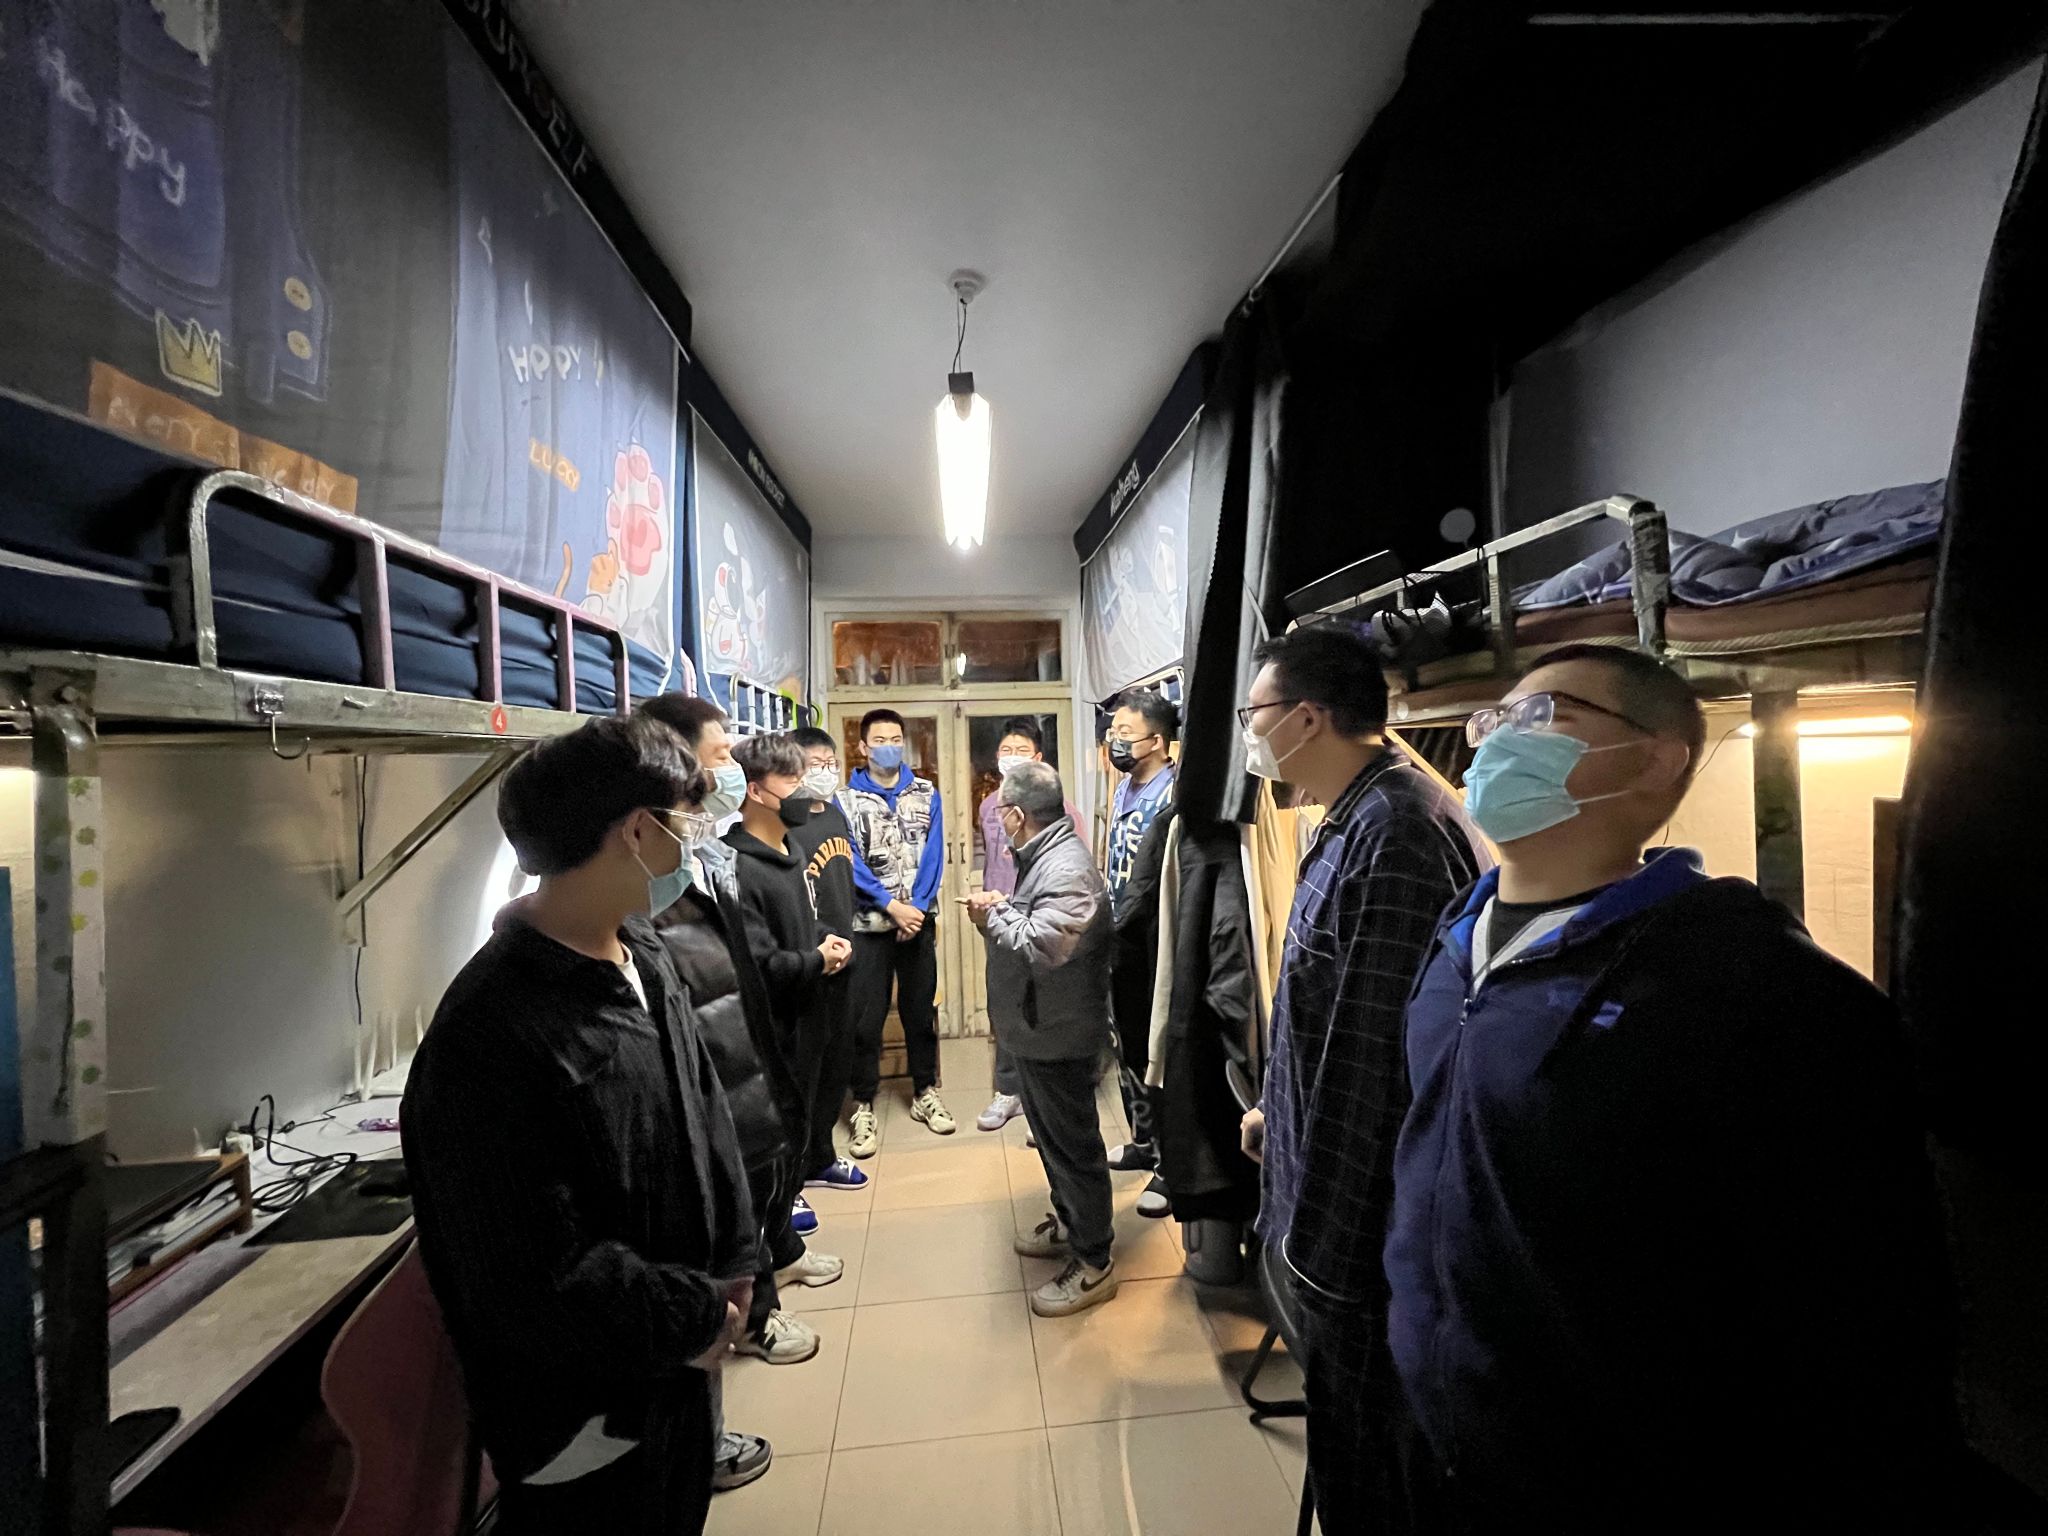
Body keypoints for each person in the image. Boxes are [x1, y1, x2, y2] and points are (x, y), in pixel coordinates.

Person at [1382, 646, 1957, 1534]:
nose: (1494, 742)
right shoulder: (1457, 943)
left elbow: (1858, 1305)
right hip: (1447, 1442)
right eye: (1493, 720)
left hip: (1633, 1482)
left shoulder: (1753, 987)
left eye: (1543, 715)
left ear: (1654, 760)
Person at [403, 715, 754, 1536]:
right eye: (684, 820)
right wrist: (698, 1317)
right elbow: (534, 1277)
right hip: (585, 1419)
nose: (693, 839)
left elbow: (705, 1112)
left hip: (677, 1365)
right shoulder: (490, 1034)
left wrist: (737, 1266)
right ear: (637, 831)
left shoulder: (641, 953)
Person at [1235, 624, 1487, 1535]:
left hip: (1362, 1247)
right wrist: (1276, 1112)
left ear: (1307, 717)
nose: (1249, 733)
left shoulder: (1399, 835)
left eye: (1255, 714)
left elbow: (1373, 1070)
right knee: (1350, 1451)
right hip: (1330, 1214)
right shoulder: (1349, 816)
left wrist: (1327, 1264)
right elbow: (1321, 1016)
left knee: (1371, 1471)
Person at [639, 695, 822, 1238]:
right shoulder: (651, 901)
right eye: (722, 756)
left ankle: (777, 1251)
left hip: (749, 1060)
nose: (732, 769)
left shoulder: (706, 863)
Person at [966, 761, 1120, 1318]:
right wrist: (1005, 908)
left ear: (1015, 814)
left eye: (1000, 812)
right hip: (1039, 1027)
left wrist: (991, 917)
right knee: (1055, 1144)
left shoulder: (1066, 867)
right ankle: (1073, 1225)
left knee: (1072, 1149)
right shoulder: (1043, 855)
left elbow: (1045, 946)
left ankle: (1094, 1262)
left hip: (1060, 1032)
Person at [720, 733, 854, 1365]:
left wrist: (827, 942)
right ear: (756, 790)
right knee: (771, 1156)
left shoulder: (790, 849)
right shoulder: (739, 866)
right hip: (775, 1028)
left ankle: (786, 1252)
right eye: (793, 781)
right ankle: (761, 1297)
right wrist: (815, 959)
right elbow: (763, 963)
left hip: (811, 1012)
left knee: (799, 1133)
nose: (805, 792)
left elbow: (805, 922)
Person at [841, 707, 950, 1155]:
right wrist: (891, 907)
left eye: (896, 739)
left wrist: (916, 909)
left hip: (918, 923)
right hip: (869, 926)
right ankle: (863, 1103)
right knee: (865, 1020)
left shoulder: (926, 792)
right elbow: (849, 860)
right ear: (863, 747)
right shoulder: (845, 800)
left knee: (919, 1012)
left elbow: (934, 854)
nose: (889, 746)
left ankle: (925, 1092)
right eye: (880, 740)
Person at [973, 716, 1087, 1134]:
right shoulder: (989, 805)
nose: (1012, 757)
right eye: (1006, 750)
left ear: (1038, 758)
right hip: (1000, 916)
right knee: (1005, 1002)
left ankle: (1044, 1100)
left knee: (1044, 1007)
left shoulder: (1062, 810)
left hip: (1042, 921)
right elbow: (990, 856)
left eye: (1021, 751)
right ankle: (1008, 1089)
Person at [787, 725, 869, 1193]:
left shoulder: (836, 815)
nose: (825, 772)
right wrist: (820, 945)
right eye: (814, 764)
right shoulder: (788, 824)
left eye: (830, 763)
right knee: (806, 1070)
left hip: (847, 954)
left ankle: (820, 1155)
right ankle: (793, 1174)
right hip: (812, 959)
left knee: (838, 1061)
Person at [1102, 689, 1178, 1184]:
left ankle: (1171, 1165)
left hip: (1156, 937)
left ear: (1157, 740)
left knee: (1159, 1051)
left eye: (1125, 733)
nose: (1115, 741)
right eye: (1113, 732)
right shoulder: (1123, 789)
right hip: (1121, 937)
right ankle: (1144, 1141)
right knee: (1128, 1044)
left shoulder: (1174, 793)